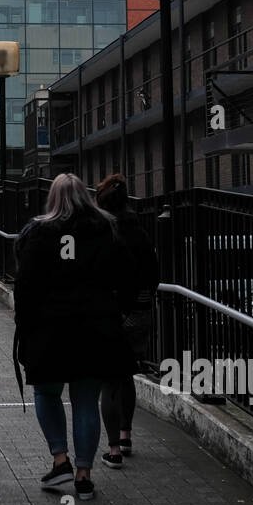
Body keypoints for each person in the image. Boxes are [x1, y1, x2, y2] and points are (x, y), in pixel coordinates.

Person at [13, 172, 136, 500]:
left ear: (52, 198)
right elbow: (128, 276)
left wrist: (24, 327)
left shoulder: (37, 233)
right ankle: (84, 473)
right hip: (94, 329)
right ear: (85, 195)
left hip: (48, 330)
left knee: (47, 393)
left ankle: (60, 460)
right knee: (85, 401)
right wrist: (117, 312)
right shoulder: (106, 229)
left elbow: (24, 286)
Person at [94, 173, 159, 467]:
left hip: (112, 314)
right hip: (140, 314)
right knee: (127, 375)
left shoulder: (104, 232)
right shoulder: (140, 231)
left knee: (109, 382)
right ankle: (126, 434)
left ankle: (114, 450)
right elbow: (153, 274)